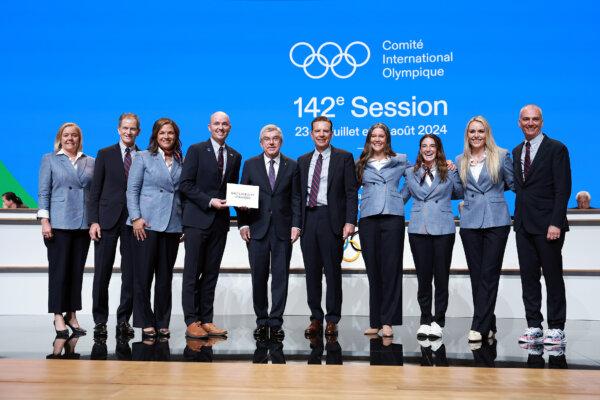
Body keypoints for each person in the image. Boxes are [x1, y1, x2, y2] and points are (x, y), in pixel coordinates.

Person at [513, 104, 571, 346]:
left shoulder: (556, 148)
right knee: (528, 278)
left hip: (549, 226)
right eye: (526, 119)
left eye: (535, 119)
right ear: (519, 122)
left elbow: (563, 188)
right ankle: (534, 326)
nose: (530, 123)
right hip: (523, 226)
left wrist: (556, 222)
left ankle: (556, 327)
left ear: (542, 122)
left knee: (553, 277)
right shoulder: (516, 151)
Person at [180, 111, 241, 339]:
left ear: (230, 127)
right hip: (196, 221)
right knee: (192, 272)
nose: (220, 127)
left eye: (225, 124)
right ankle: (191, 320)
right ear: (209, 127)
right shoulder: (196, 150)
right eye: (216, 124)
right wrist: (209, 201)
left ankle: (206, 319)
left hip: (220, 223)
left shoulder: (235, 155)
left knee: (211, 273)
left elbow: (232, 190)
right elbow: (185, 185)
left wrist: (241, 202)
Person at [237, 124, 301, 340]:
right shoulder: (250, 164)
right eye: (267, 138)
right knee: (259, 277)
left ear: (280, 142)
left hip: (283, 231)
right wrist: (242, 224)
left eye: (275, 138)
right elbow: (242, 196)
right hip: (256, 229)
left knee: (280, 278)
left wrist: (297, 224)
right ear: (261, 142)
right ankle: (261, 320)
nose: (271, 142)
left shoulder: (292, 165)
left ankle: (276, 322)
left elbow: (296, 198)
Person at [455, 116, 514, 343]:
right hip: (470, 222)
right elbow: (459, 190)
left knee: (489, 274)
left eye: (480, 131)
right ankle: (488, 321)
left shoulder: (501, 155)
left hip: (496, 221)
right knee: (477, 275)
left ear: (487, 133)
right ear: (467, 134)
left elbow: (512, 183)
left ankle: (478, 324)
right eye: (472, 132)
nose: (476, 135)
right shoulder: (460, 159)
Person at [298, 116, 358, 338]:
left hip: (332, 221)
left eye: (326, 131)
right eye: (317, 131)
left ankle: (332, 319)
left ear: (332, 134)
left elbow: (351, 193)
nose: (321, 134)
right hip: (308, 220)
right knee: (311, 273)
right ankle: (315, 318)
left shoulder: (344, 157)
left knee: (332, 273)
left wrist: (350, 221)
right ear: (311, 134)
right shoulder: (302, 161)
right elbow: (298, 195)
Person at [127, 118, 183, 339]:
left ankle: (162, 321)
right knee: (143, 276)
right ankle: (144, 321)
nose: (166, 137)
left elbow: (181, 193)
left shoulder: (181, 160)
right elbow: (132, 190)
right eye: (162, 133)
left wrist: (184, 223)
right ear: (155, 136)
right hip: (146, 224)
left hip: (172, 224)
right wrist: (136, 218)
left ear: (176, 136)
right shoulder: (142, 157)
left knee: (165, 277)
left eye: (170, 133)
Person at [403, 134, 463, 339]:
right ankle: (425, 319)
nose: (428, 149)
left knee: (441, 276)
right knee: (423, 277)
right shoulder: (410, 172)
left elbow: (460, 192)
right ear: (420, 149)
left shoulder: (448, 169)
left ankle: (439, 319)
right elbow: (401, 197)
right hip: (419, 229)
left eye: (432, 146)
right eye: (424, 146)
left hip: (443, 229)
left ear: (438, 149)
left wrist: (455, 172)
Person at [38, 122, 95, 338]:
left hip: (82, 223)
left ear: (80, 138)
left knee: (76, 272)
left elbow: (94, 192)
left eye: (74, 135)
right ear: (60, 138)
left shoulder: (90, 161)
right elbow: (43, 192)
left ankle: (72, 313)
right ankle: (57, 315)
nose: (70, 138)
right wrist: (45, 221)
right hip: (58, 224)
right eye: (66, 135)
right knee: (59, 272)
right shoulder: (50, 159)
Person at [88, 113, 140, 338]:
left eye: (133, 129)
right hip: (106, 221)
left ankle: (123, 320)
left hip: (133, 222)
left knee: (130, 274)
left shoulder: (144, 155)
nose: (128, 132)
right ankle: (100, 321)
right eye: (125, 128)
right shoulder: (105, 154)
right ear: (118, 129)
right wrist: (93, 221)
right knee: (102, 273)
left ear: (138, 131)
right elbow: (95, 191)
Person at [355, 122, 408, 338]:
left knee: (391, 270)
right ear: (369, 139)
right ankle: (375, 321)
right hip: (368, 218)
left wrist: (398, 198)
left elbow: (415, 181)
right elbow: (350, 190)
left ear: (387, 139)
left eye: (381, 136)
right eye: (374, 136)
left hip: (393, 217)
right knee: (373, 270)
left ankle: (389, 321)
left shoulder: (400, 160)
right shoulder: (361, 163)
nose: (377, 139)